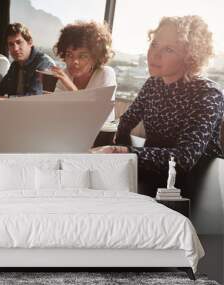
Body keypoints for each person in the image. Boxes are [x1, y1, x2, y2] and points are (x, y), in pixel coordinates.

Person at [91, 15, 224, 196]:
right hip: (154, 177)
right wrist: (118, 143)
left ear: (190, 57)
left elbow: (184, 159)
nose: (154, 54)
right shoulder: (153, 83)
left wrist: (121, 151)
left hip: (196, 187)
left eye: (169, 49)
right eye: (154, 44)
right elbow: (128, 120)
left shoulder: (208, 94)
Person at [51, 21, 116, 121]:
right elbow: (56, 113)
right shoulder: (66, 74)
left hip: (101, 134)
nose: (75, 61)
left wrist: (71, 87)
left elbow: (95, 118)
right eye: (69, 55)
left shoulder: (105, 74)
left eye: (83, 56)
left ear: (95, 57)